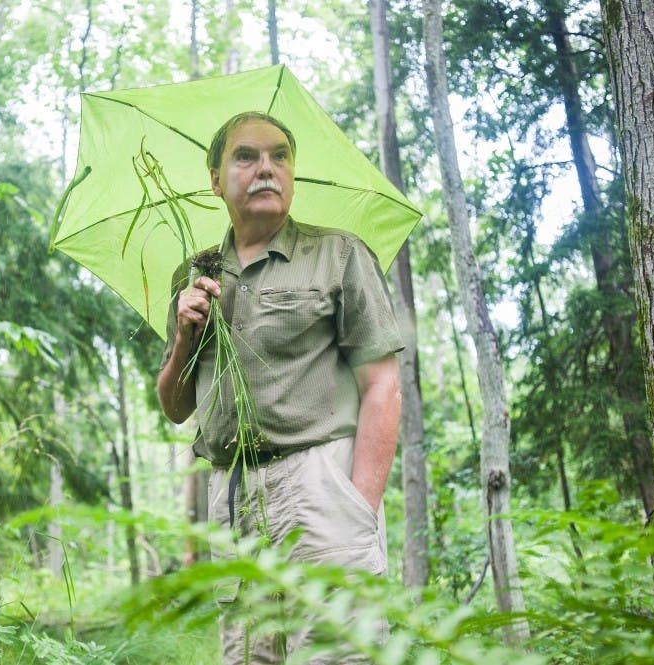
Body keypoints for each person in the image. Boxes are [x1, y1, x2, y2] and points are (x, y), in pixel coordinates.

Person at [157, 112, 403, 664]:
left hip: (320, 480)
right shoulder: (194, 276)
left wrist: (357, 507)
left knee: (337, 654)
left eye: (280, 156)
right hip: (232, 494)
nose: (266, 168)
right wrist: (183, 335)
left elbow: (383, 386)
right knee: (249, 656)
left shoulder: (339, 254)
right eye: (246, 156)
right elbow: (175, 407)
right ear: (216, 179)